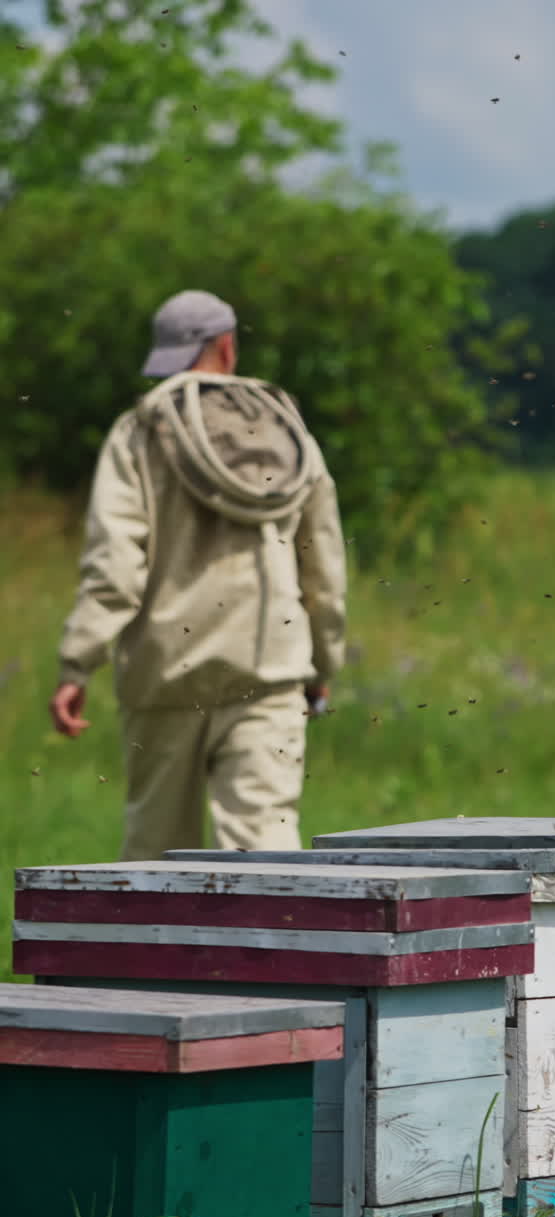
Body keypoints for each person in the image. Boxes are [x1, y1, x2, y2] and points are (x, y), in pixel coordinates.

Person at [49, 289, 347, 857]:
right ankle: (273, 950)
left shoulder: (139, 430)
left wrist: (77, 661)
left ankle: (154, 951)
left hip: (165, 669)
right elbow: (324, 564)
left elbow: (115, 562)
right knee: (266, 852)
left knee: (157, 856)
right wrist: (323, 662)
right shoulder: (288, 433)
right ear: (228, 346)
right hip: (269, 665)